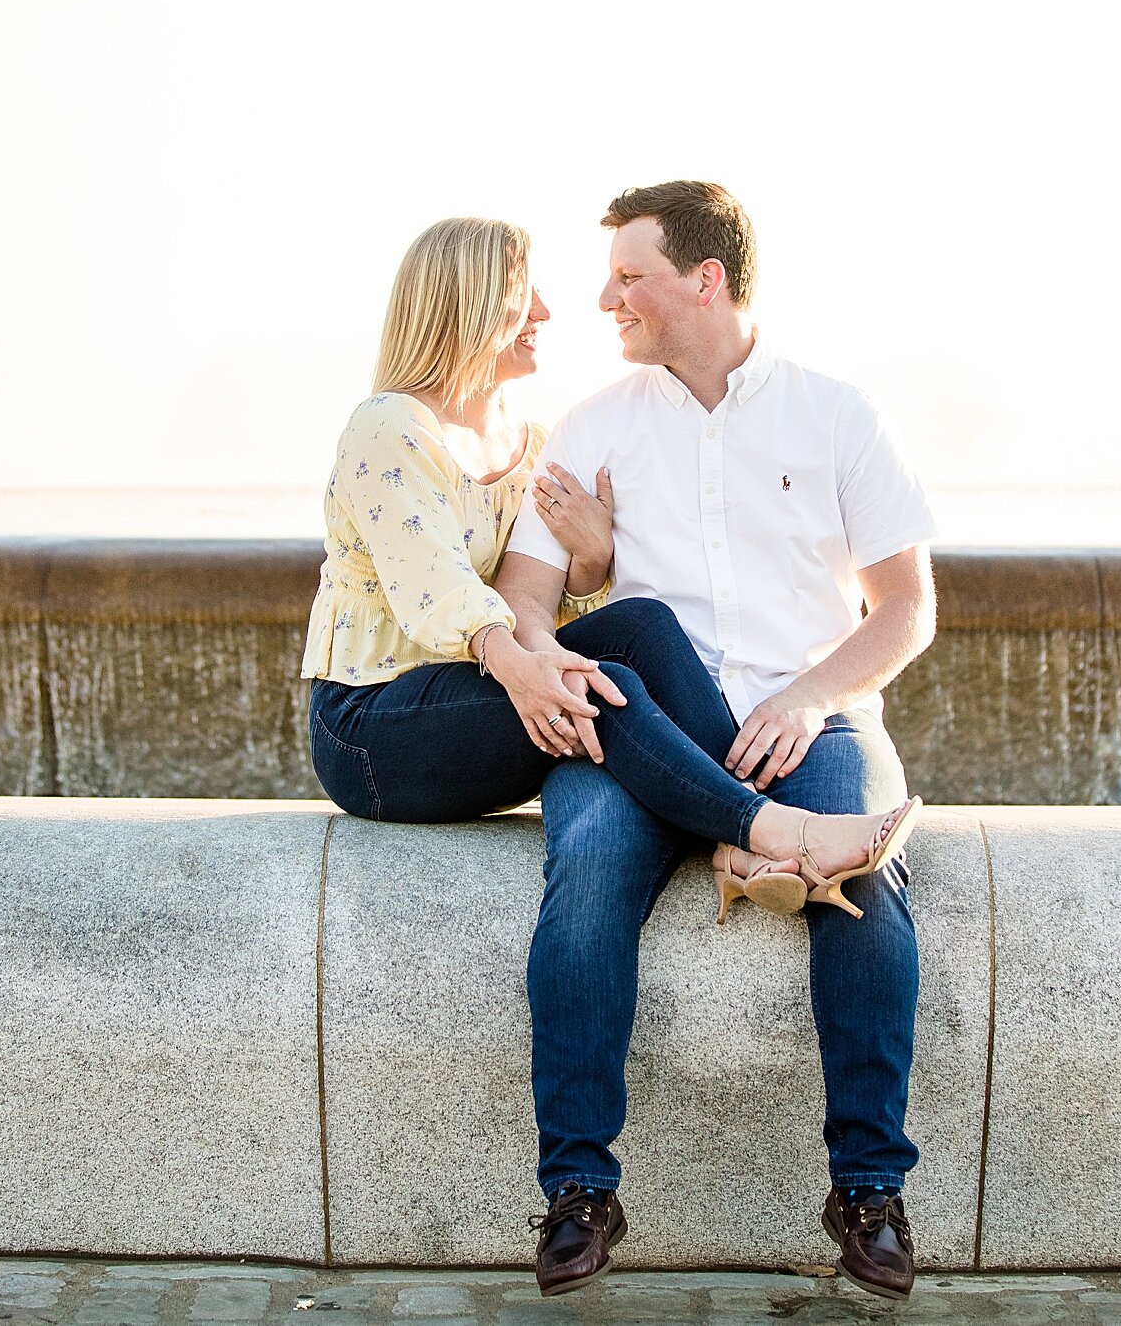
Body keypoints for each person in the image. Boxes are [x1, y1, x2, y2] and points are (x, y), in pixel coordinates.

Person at [492, 181, 940, 1300]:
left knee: (868, 884)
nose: (607, 296)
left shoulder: (836, 414)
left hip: (815, 715)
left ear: (706, 279)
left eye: (628, 274)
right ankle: (579, 1189)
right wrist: (576, 592)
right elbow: (522, 605)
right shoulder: (593, 426)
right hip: (642, 732)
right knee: (585, 873)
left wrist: (803, 696)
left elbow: (905, 608)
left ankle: (869, 1186)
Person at [301, 214, 915, 894]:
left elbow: (561, 606)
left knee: (637, 631)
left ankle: (748, 826)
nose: (544, 310)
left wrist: (591, 565)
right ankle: (766, 828)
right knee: (623, 659)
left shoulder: (531, 445)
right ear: (467, 302)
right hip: (373, 722)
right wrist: (523, 668)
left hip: (488, 692)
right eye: (521, 291)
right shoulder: (389, 426)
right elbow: (439, 589)